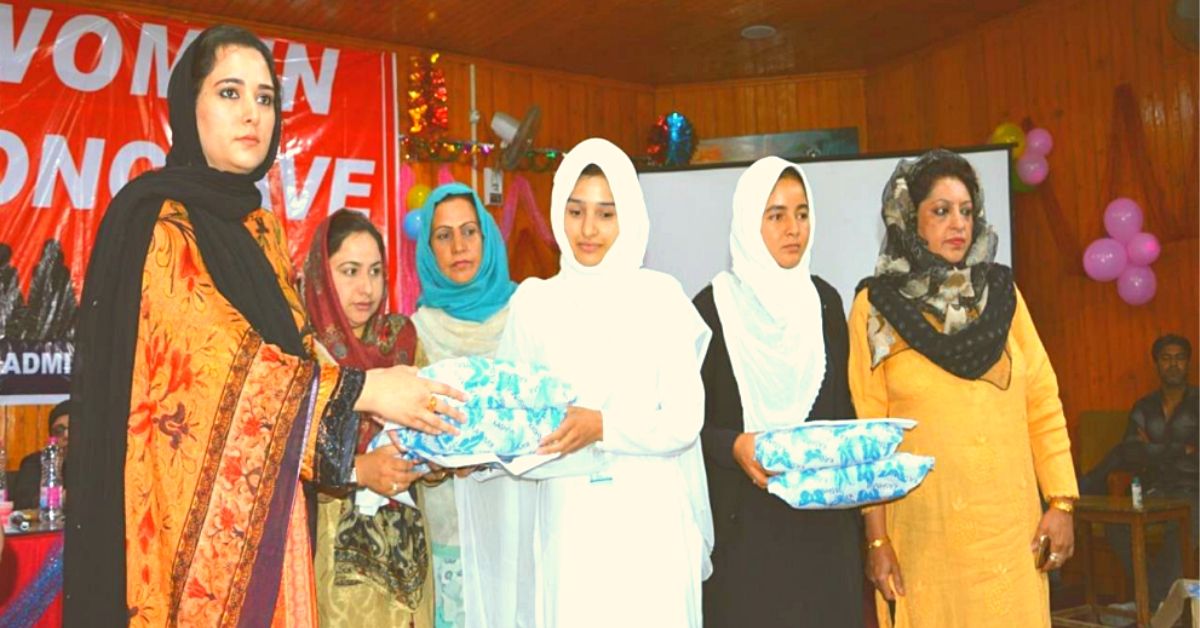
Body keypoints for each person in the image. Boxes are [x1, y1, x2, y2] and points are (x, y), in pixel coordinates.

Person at [64, 25, 462, 626]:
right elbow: (219, 365)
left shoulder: (261, 233)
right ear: (188, 105)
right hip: (179, 537)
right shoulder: (157, 221)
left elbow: (301, 356)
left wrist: (402, 392)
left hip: (273, 519)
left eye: (265, 97)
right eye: (230, 93)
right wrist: (369, 390)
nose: (252, 113)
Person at [847, 149, 1078, 627]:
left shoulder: (1004, 298)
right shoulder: (876, 307)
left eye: (967, 211)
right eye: (941, 210)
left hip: (1012, 538)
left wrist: (1060, 502)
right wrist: (876, 539)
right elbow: (867, 433)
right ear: (910, 219)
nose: (958, 224)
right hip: (925, 539)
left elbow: (1042, 402)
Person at [497, 138, 713, 627]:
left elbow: (684, 420)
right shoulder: (535, 303)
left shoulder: (661, 298)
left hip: (650, 520)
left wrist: (603, 427)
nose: (588, 230)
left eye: (606, 214)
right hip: (568, 523)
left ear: (630, 217)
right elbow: (512, 417)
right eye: (575, 211)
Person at [694, 157, 864, 627]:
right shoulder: (711, 309)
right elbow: (690, 426)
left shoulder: (826, 301)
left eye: (802, 213)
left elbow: (843, 409)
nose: (794, 229)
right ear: (750, 222)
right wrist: (734, 446)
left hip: (823, 535)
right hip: (745, 534)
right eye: (776, 215)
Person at [303, 209, 433, 626]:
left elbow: (436, 429)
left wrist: (431, 461)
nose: (367, 287)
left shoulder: (403, 341)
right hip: (331, 552)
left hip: (408, 551)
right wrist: (360, 469)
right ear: (322, 275)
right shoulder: (302, 353)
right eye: (350, 271)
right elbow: (281, 454)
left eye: (375, 271)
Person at [410, 182, 531, 628]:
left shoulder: (528, 312)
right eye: (443, 235)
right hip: (450, 527)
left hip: (524, 517)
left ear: (488, 238)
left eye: (469, 231)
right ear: (428, 248)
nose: (459, 246)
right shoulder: (415, 332)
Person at [1104, 334, 1198, 608]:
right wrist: (1181, 449)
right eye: (1166, 358)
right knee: (1116, 524)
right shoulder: (1144, 407)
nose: (1173, 364)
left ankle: (1148, 601)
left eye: (1179, 358)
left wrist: (1153, 448)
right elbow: (1131, 451)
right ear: (1156, 364)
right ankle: (1156, 600)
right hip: (1154, 488)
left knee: (1183, 524)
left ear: (1188, 363)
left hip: (1194, 488)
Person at [13, 399, 70, 510]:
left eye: (74, 429)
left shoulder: (96, 463)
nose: (66, 436)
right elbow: (24, 503)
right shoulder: (34, 463)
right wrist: (62, 498)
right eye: (59, 430)